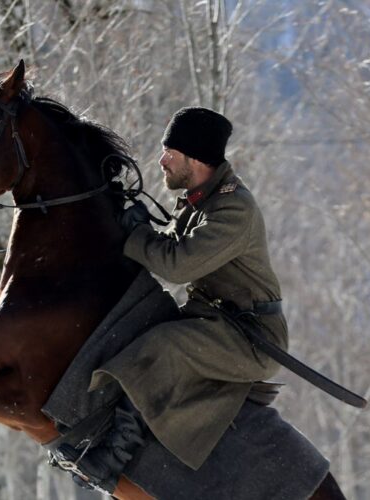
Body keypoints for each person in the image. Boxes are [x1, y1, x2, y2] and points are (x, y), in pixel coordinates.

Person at [57, 107, 288, 493]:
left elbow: (178, 265)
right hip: (213, 320)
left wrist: (138, 235)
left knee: (163, 345)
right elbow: (171, 242)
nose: (161, 160)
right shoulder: (201, 198)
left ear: (195, 159)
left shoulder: (233, 209)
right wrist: (137, 224)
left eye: (170, 152)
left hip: (251, 336)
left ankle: (112, 460)